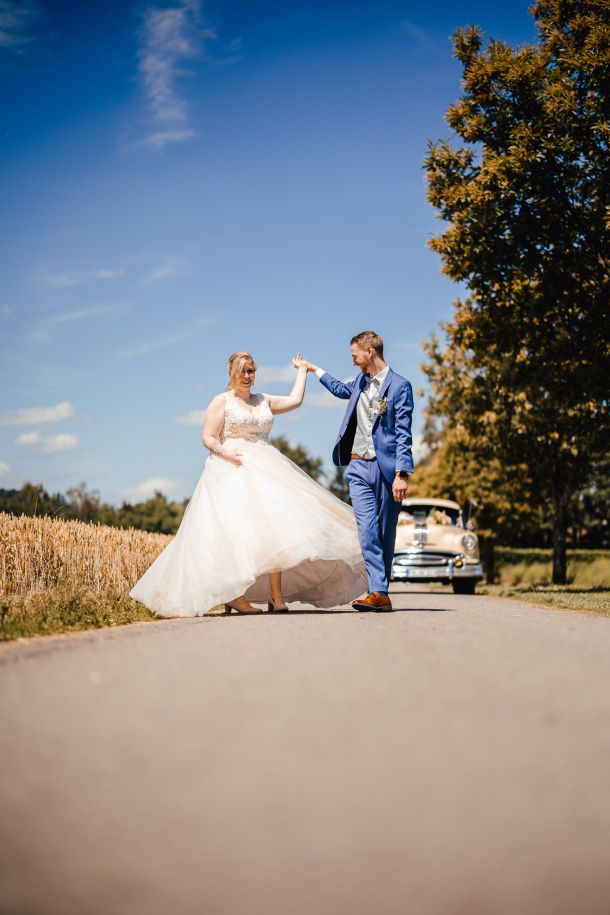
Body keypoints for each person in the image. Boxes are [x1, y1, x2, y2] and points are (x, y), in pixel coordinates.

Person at [129, 351, 367, 616]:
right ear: (231, 372)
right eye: (242, 371)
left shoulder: (263, 400)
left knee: (275, 529)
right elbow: (208, 437)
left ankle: (276, 596)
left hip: (266, 465)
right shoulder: (222, 402)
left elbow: (294, 401)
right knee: (235, 530)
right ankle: (234, 596)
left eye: (251, 370)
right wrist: (227, 454)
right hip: (231, 467)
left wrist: (302, 371)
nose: (247, 376)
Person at [297, 331, 414, 612]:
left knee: (385, 533)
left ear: (369, 351)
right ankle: (377, 591)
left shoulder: (400, 386)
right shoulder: (360, 382)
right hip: (358, 465)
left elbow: (403, 433)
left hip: (387, 470)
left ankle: (380, 592)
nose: (353, 362)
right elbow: (339, 388)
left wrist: (402, 474)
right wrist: (314, 370)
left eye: (355, 355)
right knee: (366, 530)